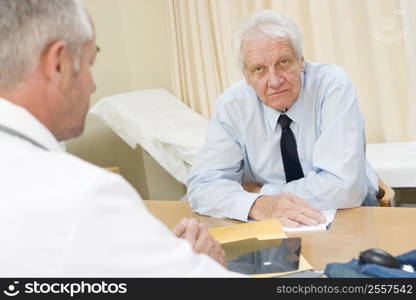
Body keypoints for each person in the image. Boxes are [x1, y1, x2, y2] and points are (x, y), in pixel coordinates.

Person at [0, 0, 239, 277]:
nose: (93, 85)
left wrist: (152, 255)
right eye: (90, 63)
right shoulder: (83, 195)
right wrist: (204, 268)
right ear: (59, 64)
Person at [186, 10, 379, 227]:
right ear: (247, 77)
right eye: (259, 69)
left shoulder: (332, 85)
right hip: (274, 228)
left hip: (351, 216)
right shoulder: (232, 105)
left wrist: (264, 195)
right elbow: (203, 187)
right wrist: (258, 205)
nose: (275, 81)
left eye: (284, 62)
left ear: (301, 61)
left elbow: (345, 188)